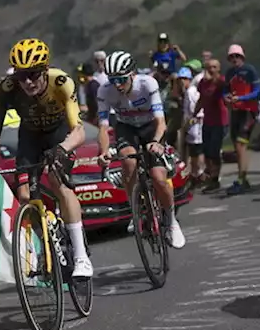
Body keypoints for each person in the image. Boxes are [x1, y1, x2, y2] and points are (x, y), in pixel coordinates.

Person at [0, 39, 94, 277]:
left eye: (32, 75)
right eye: (21, 76)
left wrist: (61, 149)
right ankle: (45, 246)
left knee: (57, 181)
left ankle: (81, 257)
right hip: (30, 137)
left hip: (59, 135)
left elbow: (78, 131)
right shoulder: (8, 88)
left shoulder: (60, 82)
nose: (27, 82)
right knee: (24, 195)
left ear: (44, 70)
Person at [96, 52, 187, 249]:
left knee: (158, 177)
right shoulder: (105, 91)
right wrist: (103, 152)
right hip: (126, 128)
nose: (117, 85)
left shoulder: (147, 84)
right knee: (128, 163)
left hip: (150, 127)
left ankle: (171, 221)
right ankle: (135, 210)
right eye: (113, 80)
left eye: (121, 79)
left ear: (132, 75)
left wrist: (156, 142)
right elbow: (103, 127)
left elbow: (160, 121)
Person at [223, 44, 260, 195]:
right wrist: (225, 98)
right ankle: (243, 178)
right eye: (231, 57)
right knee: (237, 145)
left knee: (240, 144)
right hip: (236, 111)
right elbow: (225, 90)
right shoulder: (229, 73)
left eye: (237, 56)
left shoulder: (250, 70)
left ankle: (241, 178)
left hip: (249, 111)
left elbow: (257, 91)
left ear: (242, 57)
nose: (234, 59)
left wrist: (242, 97)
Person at [194, 59, 229, 192]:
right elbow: (201, 99)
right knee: (207, 151)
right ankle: (211, 177)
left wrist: (215, 79)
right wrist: (194, 113)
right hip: (207, 120)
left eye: (214, 67)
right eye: (209, 67)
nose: (211, 69)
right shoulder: (202, 83)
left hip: (220, 121)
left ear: (218, 68)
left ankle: (215, 179)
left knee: (214, 150)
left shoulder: (221, 82)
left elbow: (225, 88)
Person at [178, 68, 205, 183]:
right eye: (180, 79)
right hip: (191, 125)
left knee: (196, 150)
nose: (182, 81)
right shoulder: (188, 91)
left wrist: (191, 120)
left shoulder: (191, 91)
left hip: (195, 124)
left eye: (184, 79)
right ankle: (195, 173)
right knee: (193, 150)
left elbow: (194, 109)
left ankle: (199, 172)